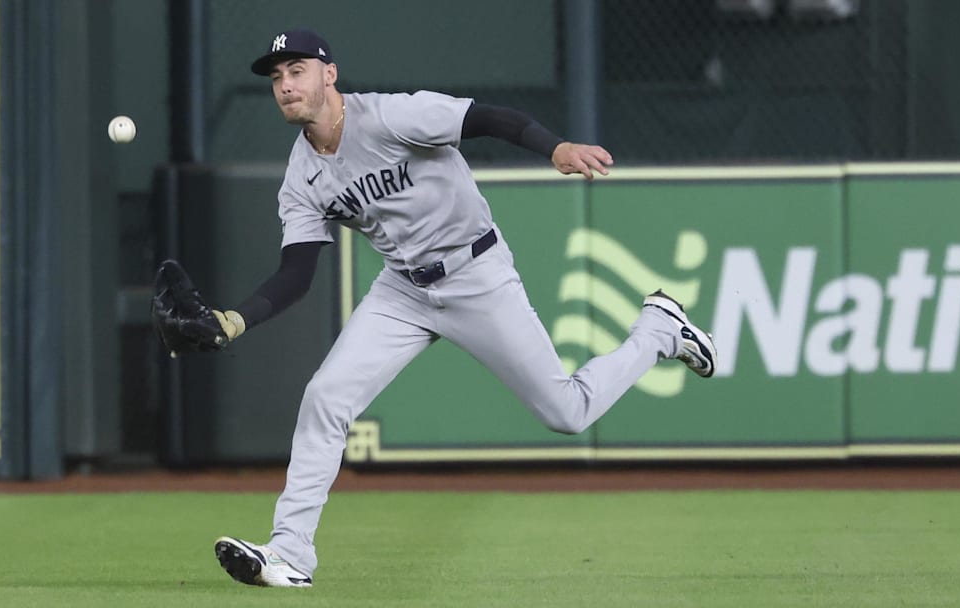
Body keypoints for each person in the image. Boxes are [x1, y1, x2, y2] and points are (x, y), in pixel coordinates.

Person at [210, 28, 718, 588]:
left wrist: (556, 147)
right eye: (277, 77)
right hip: (402, 290)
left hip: (475, 271)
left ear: (329, 73)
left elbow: (488, 117)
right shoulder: (301, 176)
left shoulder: (391, 117)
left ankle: (659, 330)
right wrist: (235, 321)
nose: (285, 85)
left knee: (567, 413)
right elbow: (297, 273)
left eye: (296, 69)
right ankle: (290, 553)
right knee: (326, 398)